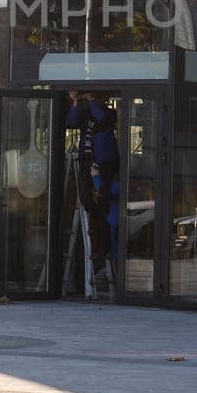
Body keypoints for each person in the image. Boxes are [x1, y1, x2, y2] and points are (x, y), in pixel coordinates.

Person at [65, 90, 120, 291]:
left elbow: (101, 116)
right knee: (89, 203)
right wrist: (74, 102)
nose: (93, 101)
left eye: (96, 97)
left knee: (103, 204)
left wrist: (90, 100)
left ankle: (102, 247)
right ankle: (98, 244)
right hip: (88, 164)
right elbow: (71, 122)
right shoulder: (87, 113)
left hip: (104, 165)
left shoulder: (108, 113)